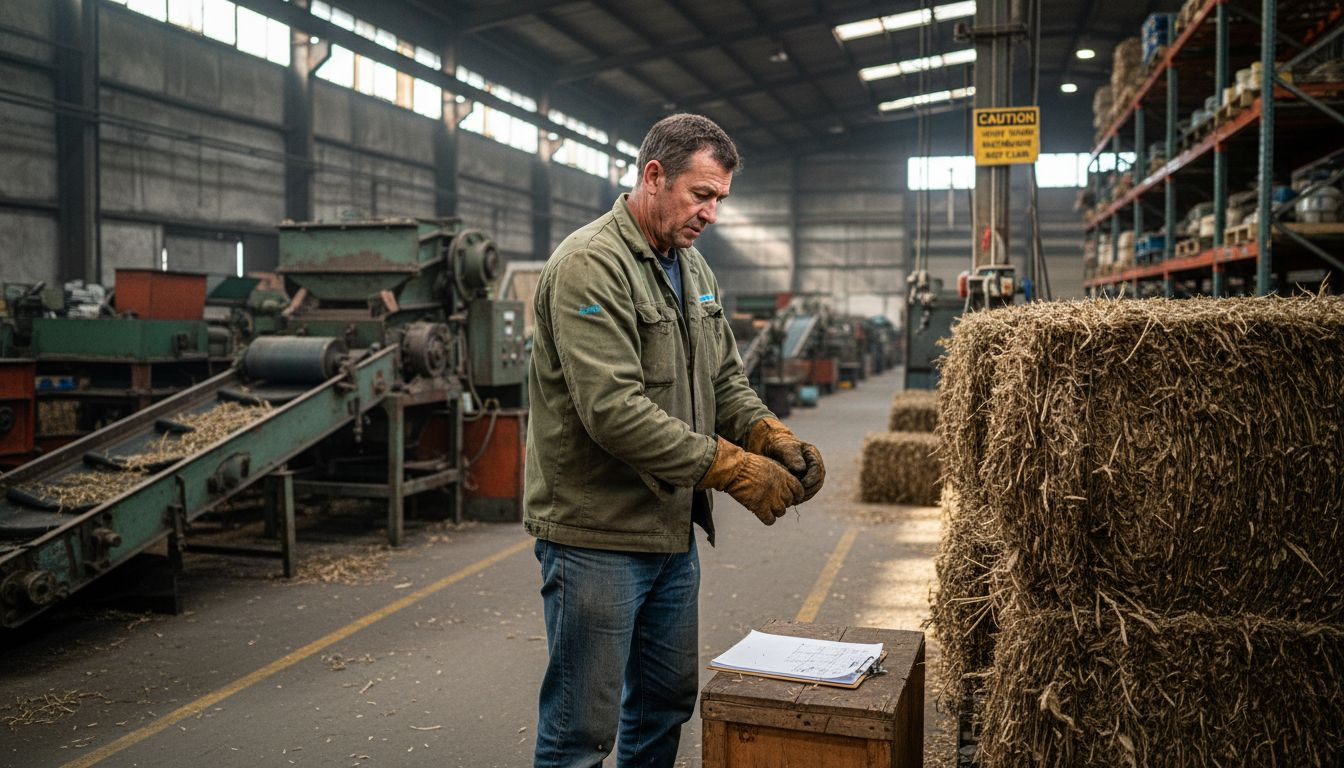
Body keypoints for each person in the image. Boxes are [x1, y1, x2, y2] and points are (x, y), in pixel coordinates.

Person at [524, 113, 826, 768]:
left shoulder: (694, 272)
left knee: (664, 704)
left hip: (669, 532)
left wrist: (766, 434)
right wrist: (732, 466)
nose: (712, 213)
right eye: (702, 194)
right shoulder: (589, 266)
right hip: (596, 537)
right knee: (582, 730)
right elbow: (613, 411)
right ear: (654, 176)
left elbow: (723, 381)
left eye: (720, 199)